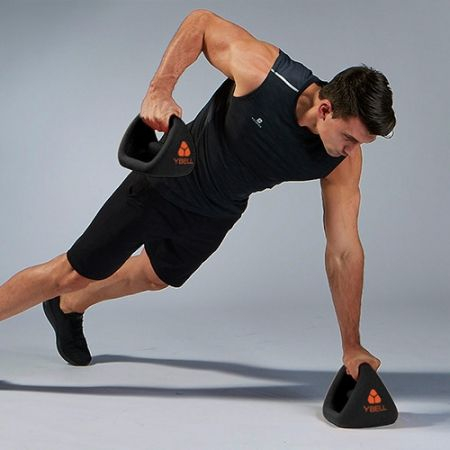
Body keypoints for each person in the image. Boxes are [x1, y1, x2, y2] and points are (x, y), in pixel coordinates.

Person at [0, 10, 395, 381]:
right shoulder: (266, 75)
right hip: (166, 184)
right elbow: (201, 23)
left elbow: (344, 251)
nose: (351, 151)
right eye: (349, 138)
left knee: (155, 276)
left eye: (360, 144)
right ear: (325, 110)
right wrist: (159, 90)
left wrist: (352, 345)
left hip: (217, 213)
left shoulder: (342, 161)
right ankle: (63, 294)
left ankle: (67, 305)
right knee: (72, 272)